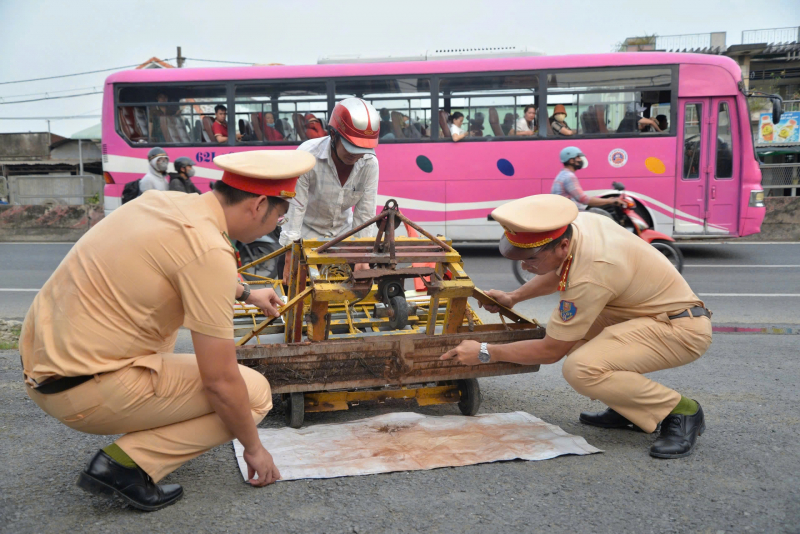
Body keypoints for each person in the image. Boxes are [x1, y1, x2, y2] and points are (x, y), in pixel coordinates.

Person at [20, 149, 317, 511]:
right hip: (81, 390)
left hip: (44, 367)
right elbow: (220, 381)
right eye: (279, 217)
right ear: (257, 205)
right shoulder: (209, 250)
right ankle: (125, 464)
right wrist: (254, 449)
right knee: (253, 394)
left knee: (165, 336)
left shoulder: (164, 202)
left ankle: (132, 441)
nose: (276, 227)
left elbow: (183, 264)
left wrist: (247, 293)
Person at [441, 193, 711, 459]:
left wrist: (485, 351)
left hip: (680, 328)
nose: (524, 265)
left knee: (581, 368)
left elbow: (550, 351)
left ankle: (681, 411)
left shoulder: (592, 272)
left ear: (561, 245)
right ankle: (628, 405)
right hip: (639, 313)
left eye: (531, 259)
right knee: (575, 340)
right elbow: (563, 270)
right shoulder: (577, 226)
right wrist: (514, 297)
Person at [280, 97, 381, 282]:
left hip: (343, 238)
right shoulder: (307, 156)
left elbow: (365, 213)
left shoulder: (369, 164)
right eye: (351, 148)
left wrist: (362, 255)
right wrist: (290, 255)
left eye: (362, 149)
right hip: (304, 238)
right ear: (334, 135)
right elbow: (296, 207)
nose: (356, 155)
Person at [551, 147, 626, 211]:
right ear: (571, 160)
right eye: (578, 158)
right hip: (568, 214)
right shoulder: (569, 176)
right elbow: (584, 199)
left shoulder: (563, 174)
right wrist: (610, 201)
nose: (580, 160)